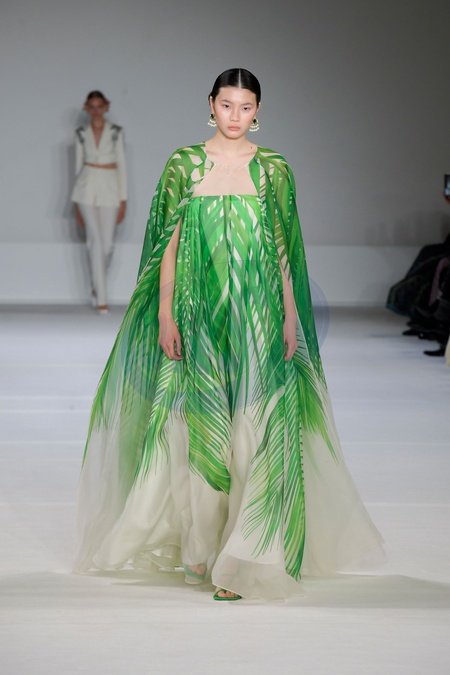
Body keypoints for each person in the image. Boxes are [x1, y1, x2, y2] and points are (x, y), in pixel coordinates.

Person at [73, 69, 385, 601]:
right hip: (197, 314)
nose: (235, 115)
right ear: (211, 105)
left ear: (258, 110)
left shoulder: (273, 170)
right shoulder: (184, 164)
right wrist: (165, 312)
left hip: (258, 316)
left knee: (254, 428)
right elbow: (166, 245)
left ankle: (242, 562)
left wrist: (289, 316)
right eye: (226, 104)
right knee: (201, 428)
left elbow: (285, 251)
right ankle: (201, 546)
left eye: (245, 106)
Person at [71, 90, 127, 313]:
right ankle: (102, 300)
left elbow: (122, 165)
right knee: (94, 241)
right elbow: (77, 166)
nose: (96, 110)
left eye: (99, 106)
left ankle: (97, 284)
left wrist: (123, 199)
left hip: (110, 188)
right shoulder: (80, 133)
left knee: (107, 245)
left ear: (106, 106)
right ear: (86, 108)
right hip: (85, 189)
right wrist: (75, 204)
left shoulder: (116, 132)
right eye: (91, 106)